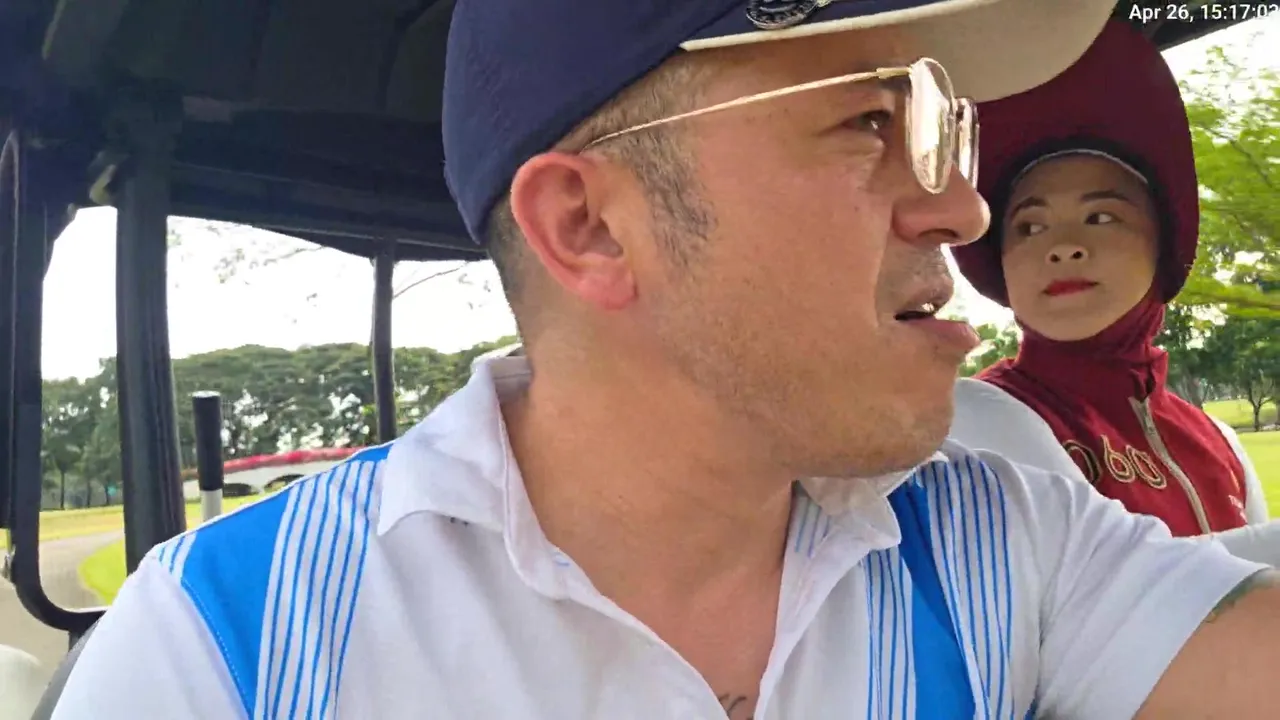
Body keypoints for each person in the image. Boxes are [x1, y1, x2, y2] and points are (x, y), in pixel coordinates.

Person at [50, 1, 1280, 718]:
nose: (961, 210)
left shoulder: (1005, 540)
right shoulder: (222, 650)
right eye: (872, 121)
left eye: (943, 130)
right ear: (587, 227)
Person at [949, 20, 1268, 541]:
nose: (1063, 246)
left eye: (1100, 217)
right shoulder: (975, 419)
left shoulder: (1219, 442)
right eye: (1030, 226)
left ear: (1163, 240)